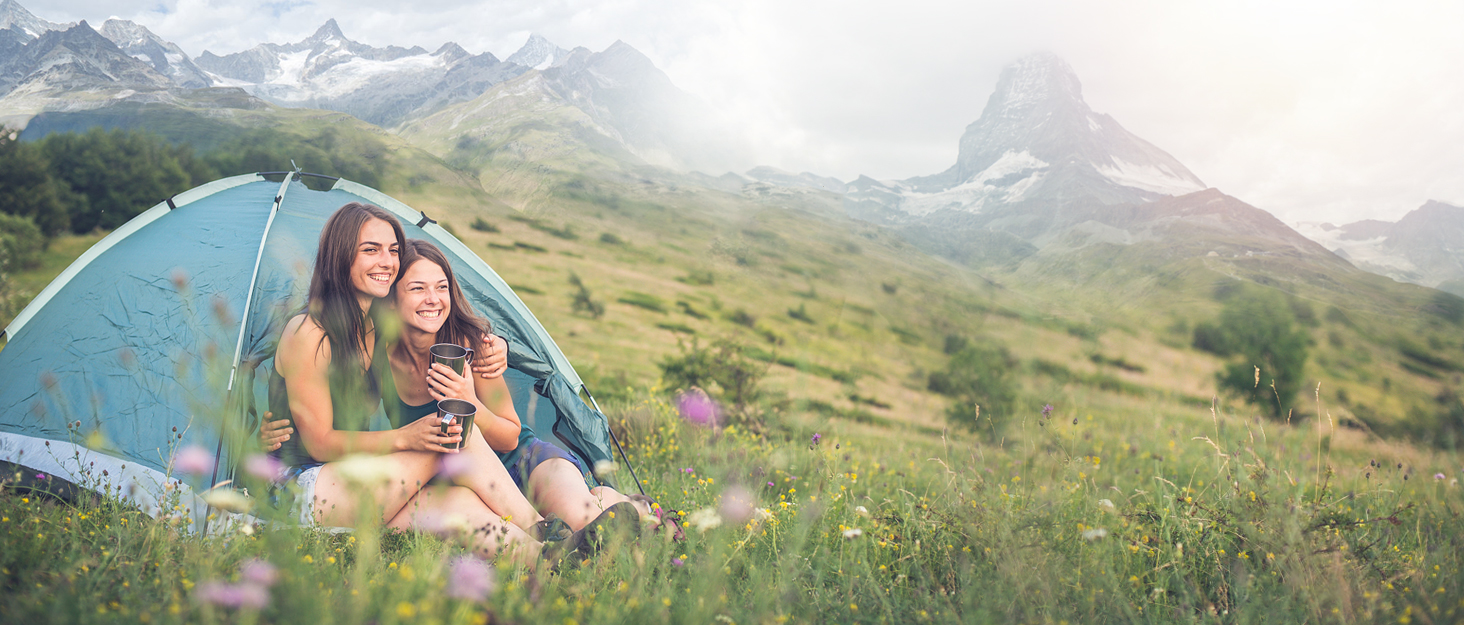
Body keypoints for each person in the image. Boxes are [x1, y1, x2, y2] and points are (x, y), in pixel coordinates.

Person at [265, 202, 561, 563]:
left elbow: (432, 318)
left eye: (392, 250)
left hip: (349, 476)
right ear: (340, 257)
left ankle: (547, 559)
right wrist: (407, 436)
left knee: (460, 507)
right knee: (452, 435)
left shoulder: (374, 324)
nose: (387, 261)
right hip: (297, 486)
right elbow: (320, 443)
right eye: (370, 250)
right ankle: (545, 529)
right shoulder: (309, 332)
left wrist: (498, 345)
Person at [379, 239, 654, 531]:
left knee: (583, 521)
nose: (433, 298)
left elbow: (510, 436)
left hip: (523, 463)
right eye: (417, 288)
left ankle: (637, 506)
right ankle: (601, 499)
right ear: (392, 297)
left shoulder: (474, 348)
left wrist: (469, 401)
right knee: (563, 535)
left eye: (442, 287)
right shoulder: (377, 357)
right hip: (466, 484)